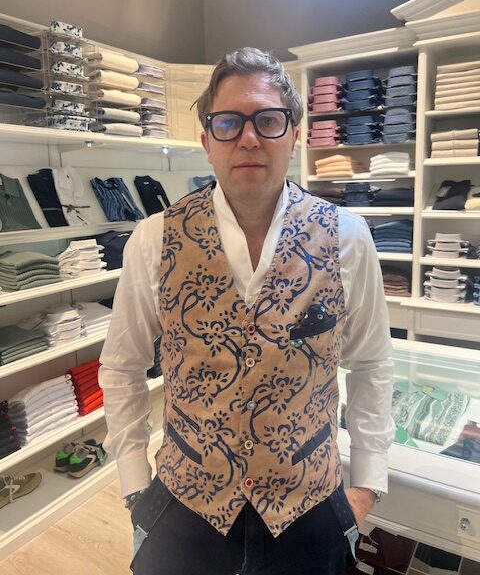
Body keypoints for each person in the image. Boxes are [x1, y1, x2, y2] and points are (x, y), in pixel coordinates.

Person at [99, 47, 395, 575]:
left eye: (269, 120)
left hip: (309, 509)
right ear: (207, 141)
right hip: (184, 510)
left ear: (294, 135)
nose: (249, 138)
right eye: (229, 122)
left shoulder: (348, 237)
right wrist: (134, 485)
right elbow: (122, 367)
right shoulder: (153, 239)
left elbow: (371, 363)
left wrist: (366, 485)